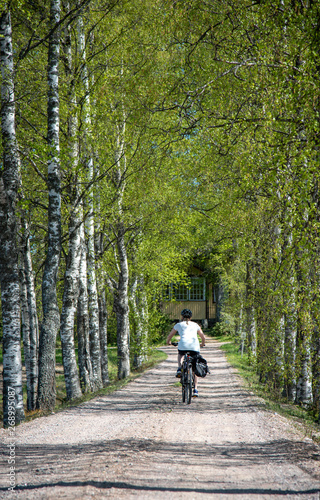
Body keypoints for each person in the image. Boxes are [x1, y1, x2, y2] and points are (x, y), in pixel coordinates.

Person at [166, 308, 206, 397]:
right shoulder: (195, 325)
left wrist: (168, 342)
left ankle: (180, 368)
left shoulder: (178, 325)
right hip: (194, 346)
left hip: (183, 345)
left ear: (182, 316)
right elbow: (203, 337)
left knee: (180, 354)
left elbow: (170, 336)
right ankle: (195, 389)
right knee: (194, 368)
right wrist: (202, 344)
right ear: (191, 317)